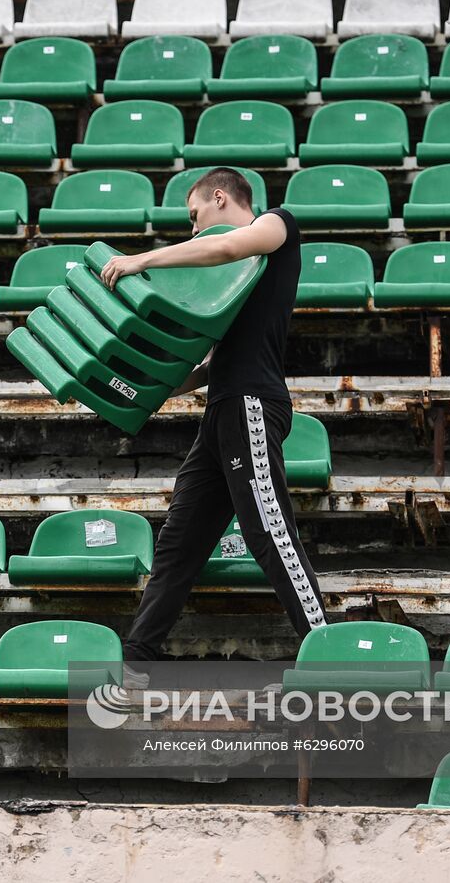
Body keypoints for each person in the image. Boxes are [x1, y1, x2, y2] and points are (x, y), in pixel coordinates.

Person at [98, 167, 328, 684]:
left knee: (269, 530)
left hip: (251, 404)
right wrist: (159, 386)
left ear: (220, 197)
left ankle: (326, 649)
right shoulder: (230, 282)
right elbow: (215, 361)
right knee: (181, 538)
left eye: (195, 214)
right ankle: (139, 659)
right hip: (223, 408)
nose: (194, 228)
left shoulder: (275, 226)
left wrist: (142, 259)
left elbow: (226, 248)